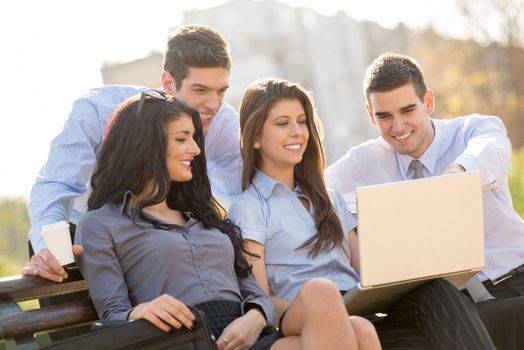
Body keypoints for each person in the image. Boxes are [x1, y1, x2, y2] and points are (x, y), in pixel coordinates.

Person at [76, 91, 368, 350]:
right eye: (182, 139)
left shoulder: (203, 217)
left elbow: (254, 292)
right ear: (144, 146)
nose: (196, 149)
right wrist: (137, 312)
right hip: (185, 338)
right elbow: (112, 314)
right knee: (326, 298)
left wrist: (254, 318)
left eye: (194, 137)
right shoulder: (101, 224)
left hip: (247, 335)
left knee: (359, 328)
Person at [229, 78, 496, 350]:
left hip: (358, 308)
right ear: (256, 137)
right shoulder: (250, 206)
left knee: (438, 292)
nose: (297, 131)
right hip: (305, 312)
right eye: (282, 123)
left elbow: (365, 274)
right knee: (337, 307)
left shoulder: (329, 197)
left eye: (301, 121)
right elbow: (262, 299)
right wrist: (329, 312)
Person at [325, 52, 524, 350]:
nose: (398, 126)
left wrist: (454, 176)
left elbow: (491, 151)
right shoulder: (361, 163)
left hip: (514, 281)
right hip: (448, 308)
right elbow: (315, 189)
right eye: (384, 116)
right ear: (370, 115)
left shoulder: (473, 131)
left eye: (408, 110)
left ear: (428, 102)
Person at [24, 24, 243, 283]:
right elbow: (56, 185)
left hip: (159, 235)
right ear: (168, 82)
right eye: (201, 90)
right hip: (80, 233)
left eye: (221, 90)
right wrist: (48, 248)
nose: (214, 105)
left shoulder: (223, 122)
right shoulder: (97, 110)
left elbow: (244, 193)